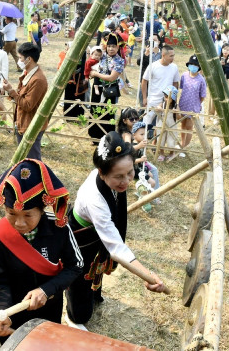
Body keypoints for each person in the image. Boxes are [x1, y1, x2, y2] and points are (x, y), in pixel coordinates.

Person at [66, 132, 167, 327]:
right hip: (82, 236)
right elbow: (116, 248)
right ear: (101, 173)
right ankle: (74, 318)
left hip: (97, 232)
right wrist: (147, 274)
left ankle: (93, 295)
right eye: (118, 177)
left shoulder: (113, 180)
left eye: (129, 172)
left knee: (96, 270)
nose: (127, 181)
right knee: (81, 275)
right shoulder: (94, 200)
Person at [0, 159, 83, 341]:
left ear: (42, 208)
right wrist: (3, 310)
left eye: (28, 215)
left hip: (50, 308)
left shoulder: (59, 227)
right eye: (11, 213)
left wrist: (46, 290)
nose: (19, 223)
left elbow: (76, 265)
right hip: (14, 312)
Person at [2, 42, 48, 160]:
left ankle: (37, 178)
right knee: (24, 158)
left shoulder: (38, 79)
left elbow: (27, 105)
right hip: (23, 122)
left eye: (21, 58)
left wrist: (12, 91)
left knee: (32, 159)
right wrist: (11, 90)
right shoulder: (28, 73)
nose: (19, 60)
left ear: (29, 59)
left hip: (31, 125)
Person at [88, 34, 126, 140]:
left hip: (110, 90)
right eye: (109, 46)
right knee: (95, 110)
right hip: (98, 88)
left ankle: (107, 138)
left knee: (108, 113)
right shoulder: (102, 55)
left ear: (118, 47)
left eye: (113, 46)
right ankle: (94, 136)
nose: (111, 48)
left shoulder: (119, 61)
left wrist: (96, 74)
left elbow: (111, 78)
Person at [140, 45, 180, 126]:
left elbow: (175, 83)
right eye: (171, 56)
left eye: (173, 56)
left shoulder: (174, 67)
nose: (173, 58)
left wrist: (173, 99)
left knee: (162, 126)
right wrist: (144, 98)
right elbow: (144, 81)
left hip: (166, 101)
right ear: (163, 55)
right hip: (152, 100)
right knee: (145, 123)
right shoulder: (153, 66)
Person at [177, 54, 207, 150]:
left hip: (193, 107)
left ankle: (185, 147)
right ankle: (182, 143)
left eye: (195, 65)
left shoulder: (201, 80)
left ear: (199, 67)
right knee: (183, 125)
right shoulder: (184, 75)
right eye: (191, 64)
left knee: (189, 127)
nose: (193, 67)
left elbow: (202, 96)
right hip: (183, 104)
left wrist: (197, 104)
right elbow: (181, 88)